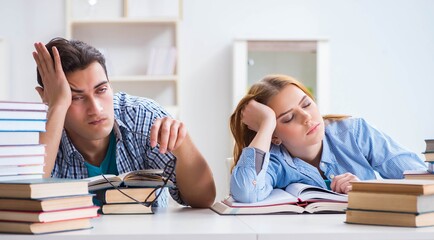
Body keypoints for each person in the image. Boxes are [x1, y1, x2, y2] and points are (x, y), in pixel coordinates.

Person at [32, 37, 216, 208]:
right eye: (75, 98)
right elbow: (24, 200)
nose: (96, 109)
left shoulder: (143, 116)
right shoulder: (40, 133)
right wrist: (57, 107)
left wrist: (183, 145)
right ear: (46, 98)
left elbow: (204, 199)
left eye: (101, 90)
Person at [229, 74, 426, 203]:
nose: (306, 117)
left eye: (306, 104)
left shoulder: (354, 133)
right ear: (275, 137)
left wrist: (366, 188)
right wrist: (266, 124)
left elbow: (421, 179)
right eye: (289, 118)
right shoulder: (275, 162)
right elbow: (246, 192)